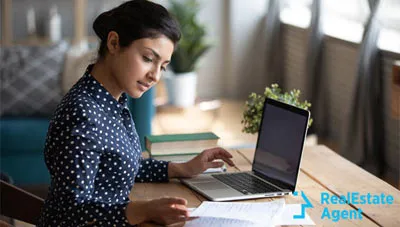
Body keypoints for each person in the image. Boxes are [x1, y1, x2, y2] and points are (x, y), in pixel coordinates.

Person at [38, 0, 234, 226]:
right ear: (114, 43)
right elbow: (70, 212)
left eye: (163, 66)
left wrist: (183, 168)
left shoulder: (113, 101)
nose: (155, 76)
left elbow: (119, 166)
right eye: (148, 59)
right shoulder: (83, 112)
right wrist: (142, 209)